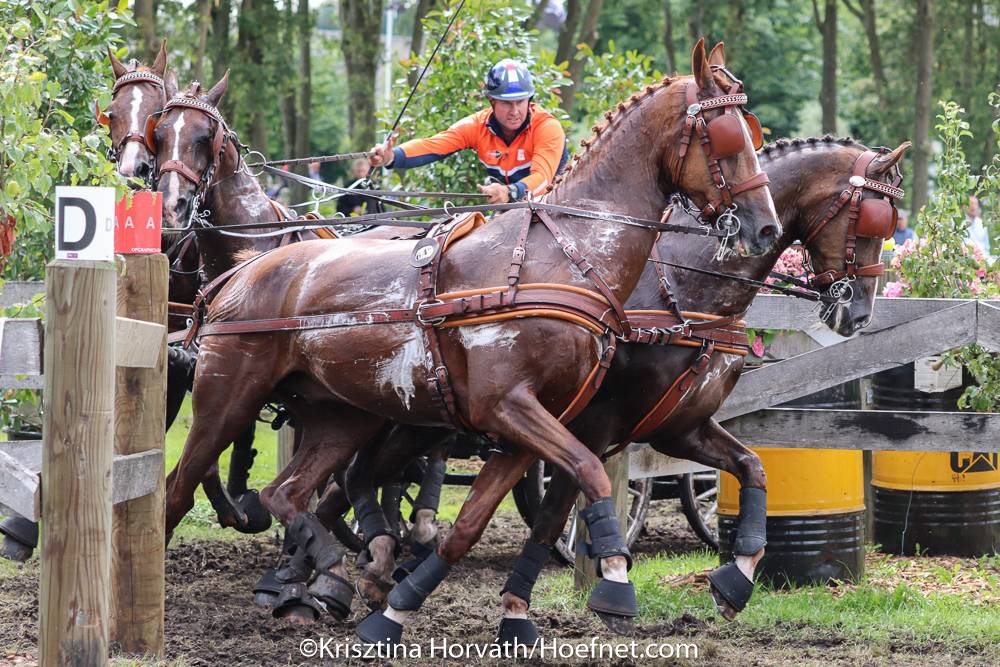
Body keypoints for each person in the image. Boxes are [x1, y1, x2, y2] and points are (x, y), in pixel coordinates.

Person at [368, 59, 568, 204]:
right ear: (492, 101)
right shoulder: (476, 126)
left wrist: (509, 192)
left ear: (529, 100)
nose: (515, 111)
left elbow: (543, 179)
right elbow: (434, 145)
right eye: (507, 103)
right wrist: (392, 156)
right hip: (512, 211)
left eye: (520, 102)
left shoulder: (547, 127)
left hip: (555, 206)